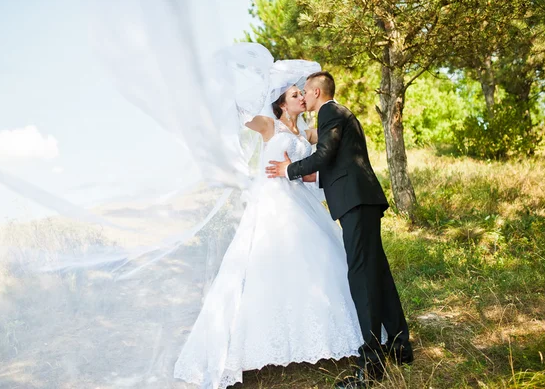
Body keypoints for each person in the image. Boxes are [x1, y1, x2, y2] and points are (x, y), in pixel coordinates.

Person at [173, 79, 386, 389]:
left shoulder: (308, 132)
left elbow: (320, 163)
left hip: (301, 201)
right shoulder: (268, 125)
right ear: (283, 104)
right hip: (274, 205)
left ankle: (330, 337)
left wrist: (305, 171)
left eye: (302, 92)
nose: (301, 97)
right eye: (295, 94)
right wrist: (229, 88)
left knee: (322, 265)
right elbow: (241, 116)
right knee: (267, 268)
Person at [266, 71, 413, 388]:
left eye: (305, 92)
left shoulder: (330, 111)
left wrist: (288, 169)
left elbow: (325, 155)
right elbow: (340, 162)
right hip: (362, 200)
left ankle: (370, 367)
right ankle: (400, 346)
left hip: (356, 204)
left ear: (317, 93)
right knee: (378, 273)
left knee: (361, 278)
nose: (303, 97)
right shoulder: (339, 114)